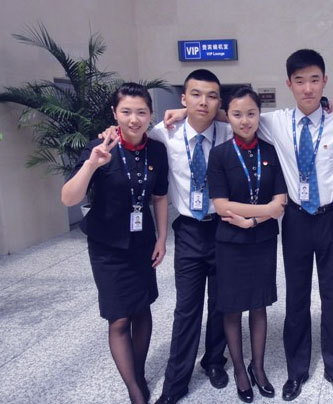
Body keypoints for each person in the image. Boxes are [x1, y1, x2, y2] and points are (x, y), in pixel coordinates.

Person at [163, 49, 333, 401]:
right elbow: (235, 114)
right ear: (289, 84)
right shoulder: (274, 121)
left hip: (331, 219)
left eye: (314, 80)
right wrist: (185, 110)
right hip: (296, 221)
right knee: (297, 298)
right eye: (300, 81)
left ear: (325, 81)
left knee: (332, 298)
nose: (308, 88)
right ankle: (296, 371)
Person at [61, 82, 169, 404]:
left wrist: (162, 237)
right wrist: (92, 164)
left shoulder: (156, 150)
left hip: (142, 243)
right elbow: (69, 197)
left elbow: (159, 197)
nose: (134, 119)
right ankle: (135, 389)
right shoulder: (100, 147)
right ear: (114, 113)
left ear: (150, 114)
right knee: (119, 317)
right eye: (126, 112)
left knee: (142, 308)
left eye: (141, 112)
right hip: (107, 247)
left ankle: (137, 372)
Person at [150, 69, 231, 404]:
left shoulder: (228, 132)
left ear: (219, 102)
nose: (203, 102)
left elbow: (256, 118)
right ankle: (176, 382)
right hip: (188, 230)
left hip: (224, 227)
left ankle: (214, 360)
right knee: (187, 308)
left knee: (222, 303)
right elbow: (132, 134)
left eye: (211, 96)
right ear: (183, 98)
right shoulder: (163, 133)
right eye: (195, 94)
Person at [207, 87, 287, 402]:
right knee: (231, 307)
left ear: (259, 115)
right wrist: (264, 210)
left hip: (262, 240)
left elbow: (280, 202)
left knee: (258, 304)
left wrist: (253, 220)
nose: (245, 120)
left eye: (251, 113)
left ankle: (258, 367)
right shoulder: (220, 155)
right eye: (237, 114)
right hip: (230, 243)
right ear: (228, 116)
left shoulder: (271, 151)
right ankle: (240, 370)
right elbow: (221, 205)